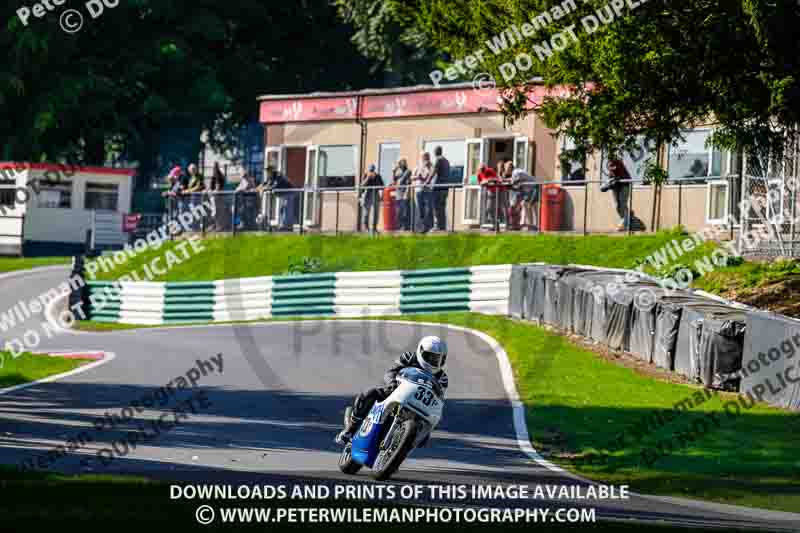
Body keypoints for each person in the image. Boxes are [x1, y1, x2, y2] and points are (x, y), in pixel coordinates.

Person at [335, 336, 449, 445]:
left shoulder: (442, 378)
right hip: (396, 391)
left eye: (439, 359)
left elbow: (439, 398)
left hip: (419, 405)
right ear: (421, 351)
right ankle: (350, 429)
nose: (435, 362)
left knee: (424, 439)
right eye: (431, 357)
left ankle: (400, 449)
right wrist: (392, 383)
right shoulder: (409, 357)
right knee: (368, 393)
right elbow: (391, 372)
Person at [606, 159, 632, 231]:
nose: (611, 168)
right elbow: (610, 179)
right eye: (609, 166)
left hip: (624, 186)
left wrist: (617, 178)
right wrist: (609, 183)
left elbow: (624, 176)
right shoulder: (611, 171)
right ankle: (624, 220)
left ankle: (625, 223)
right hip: (616, 187)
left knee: (623, 204)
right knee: (617, 205)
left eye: (612, 166)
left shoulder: (621, 168)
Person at [412, 152, 434, 232]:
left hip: (427, 190)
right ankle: (422, 227)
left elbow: (431, 175)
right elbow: (412, 177)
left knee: (428, 209)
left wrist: (424, 178)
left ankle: (428, 226)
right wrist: (418, 177)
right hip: (419, 190)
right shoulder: (418, 167)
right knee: (420, 209)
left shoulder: (431, 166)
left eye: (426, 157)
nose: (424, 158)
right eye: (423, 157)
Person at [360, 164, 384, 231]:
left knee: (376, 212)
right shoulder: (365, 175)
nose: (371, 171)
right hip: (367, 194)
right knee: (366, 212)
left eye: (372, 170)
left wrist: (381, 194)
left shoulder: (378, 176)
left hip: (376, 194)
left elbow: (382, 186)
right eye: (370, 170)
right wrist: (368, 177)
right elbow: (362, 185)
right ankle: (366, 227)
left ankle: (374, 228)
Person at [432, 146, 451, 231]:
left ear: (436, 152)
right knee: (442, 207)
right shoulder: (446, 161)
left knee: (436, 207)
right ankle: (442, 226)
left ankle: (438, 226)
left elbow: (433, 172)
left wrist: (427, 182)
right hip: (445, 187)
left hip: (438, 187)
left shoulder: (438, 159)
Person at [393, 158, 412, 230]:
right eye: (400, 163)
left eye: (401, 163)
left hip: (405, 194)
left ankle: (405, 227)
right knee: (398, 211)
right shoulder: (399, 172)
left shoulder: (408, 171)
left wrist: (397, 177)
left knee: (405, 211)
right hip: (398, 194)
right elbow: (394, 180)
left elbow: (402, 180)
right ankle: (399, 226)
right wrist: (394, 171)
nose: (400, 165)